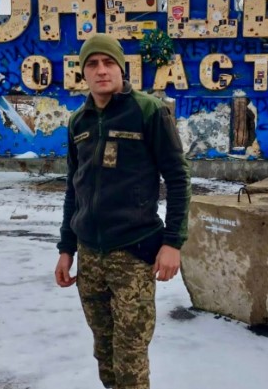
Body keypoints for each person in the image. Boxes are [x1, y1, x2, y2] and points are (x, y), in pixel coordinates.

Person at [55, 33, 191, 389]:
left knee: (130, 360)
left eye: (108, 62)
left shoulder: (148, 111)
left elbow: (178, 179)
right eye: (92, 64)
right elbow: (74, 188)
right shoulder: (78, 121)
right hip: (90, 255)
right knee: (104, 353)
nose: (101, 70)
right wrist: (66, 249)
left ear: (121, 67)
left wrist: (173, 242)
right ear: (83, 73)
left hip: (133, 252)